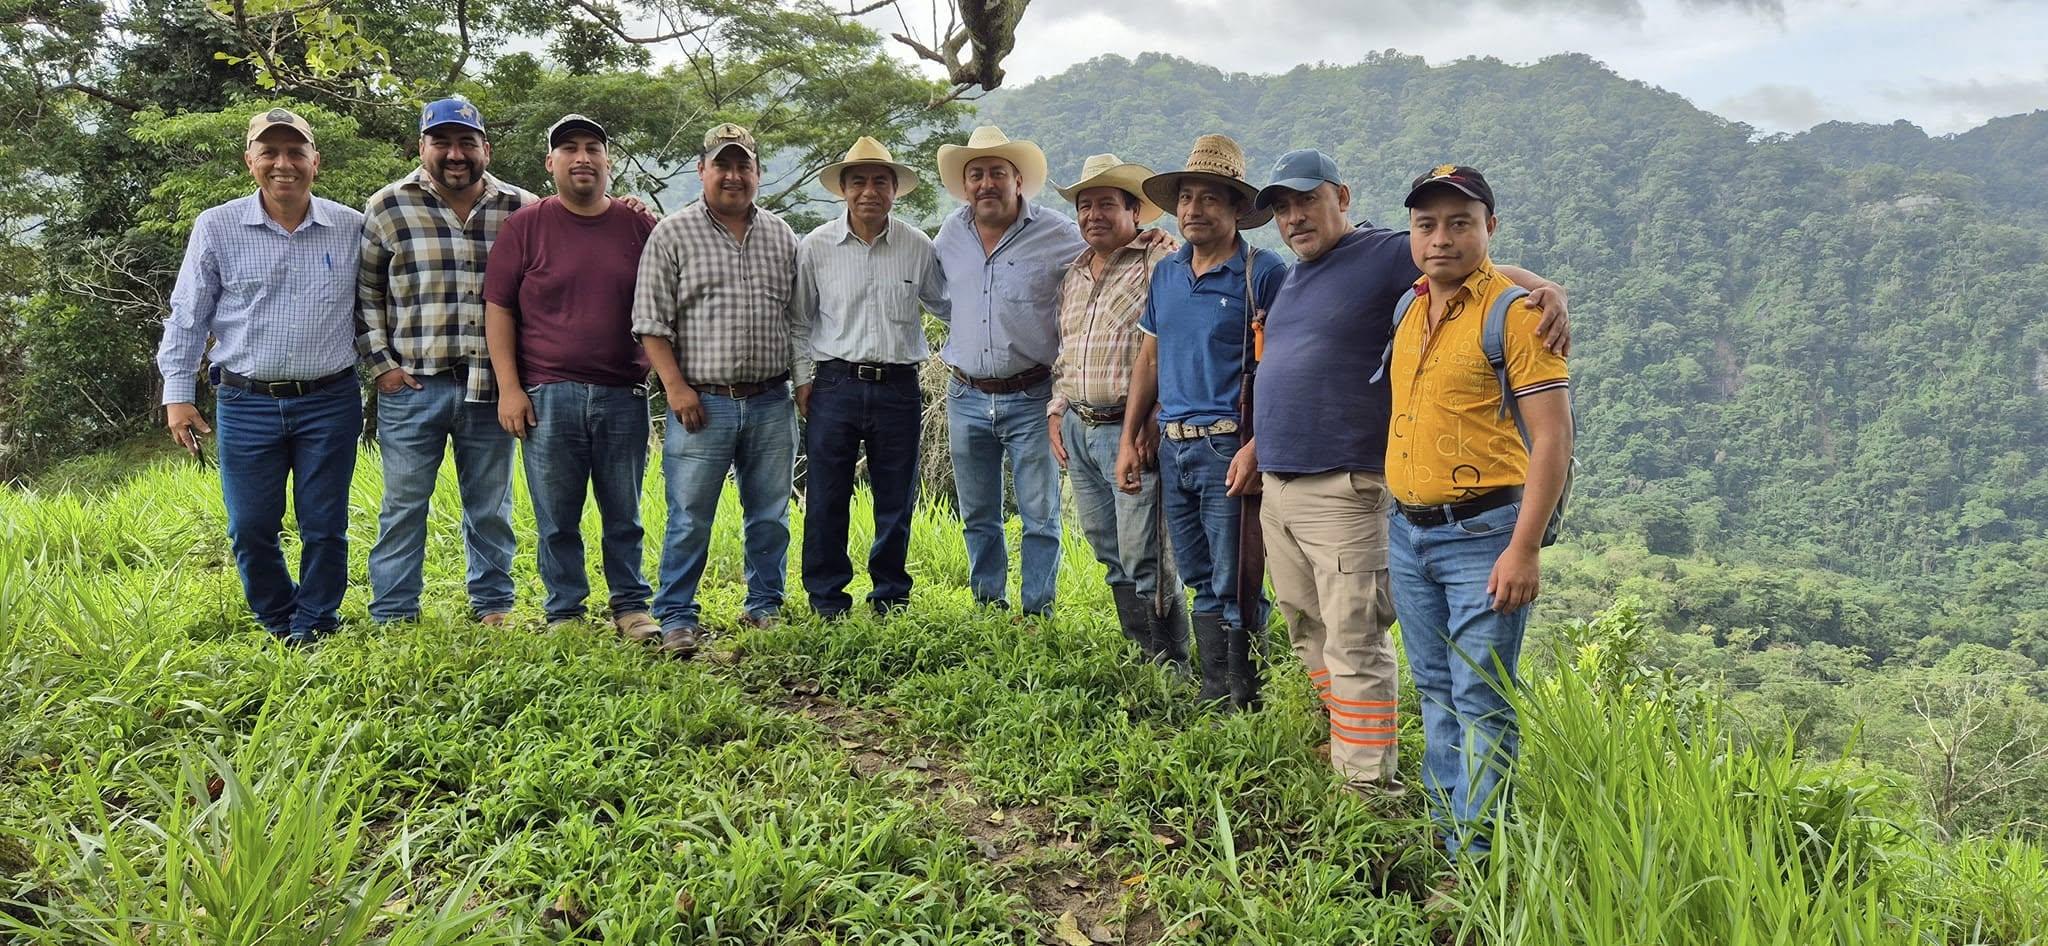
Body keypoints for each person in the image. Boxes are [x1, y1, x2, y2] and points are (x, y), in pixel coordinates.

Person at [1246, 149, 1570, 797]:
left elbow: (1470, 269)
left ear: (1342, 197)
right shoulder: (1304, 278)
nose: (1294, 217)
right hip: (1290, 486)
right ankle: (1353, 738)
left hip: (1356, 490)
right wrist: (1257, 446)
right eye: (1282, 207)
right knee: (1311, 626)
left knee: (1362, 639)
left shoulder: (1386, 253)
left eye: (1306, 201)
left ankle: (1367, 784)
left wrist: (1546, 289)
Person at [1385, 165, 1571, 866]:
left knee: (1480, 699)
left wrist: (1524, 549)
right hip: (1408, 531)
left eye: (1460, 223)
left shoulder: (1517, 316)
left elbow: (1553, 438)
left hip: (1484, 537)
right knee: (1435, 690)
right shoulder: (1409, 309)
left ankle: (1478, 862)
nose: (1441, 239)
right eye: (1427, 225)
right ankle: (1446, 838)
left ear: (1489, 228)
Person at [155, 107, 363, 646]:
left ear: (316, 161)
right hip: (246, 401)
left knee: (325, 525)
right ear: (250, 161)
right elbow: (188, 314)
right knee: (250, 527)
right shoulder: (217, 226)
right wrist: (178, 394)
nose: (283, 164)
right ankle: (278, 618)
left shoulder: (351, 227)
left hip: (330, 399)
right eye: (269, 152)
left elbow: (374, 310)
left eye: (295, 152)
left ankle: (315, 621)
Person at [1117, 134, 1288, 707]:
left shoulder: (1261, 273)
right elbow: (1150, 358)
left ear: (1237, 208)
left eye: (1210, 198)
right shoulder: (1167, 274)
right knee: (1197, 575)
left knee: (1238, 577)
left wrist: (1258, 447)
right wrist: (1130, 437)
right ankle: (1216, 695)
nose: (1194, 209)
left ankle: (1247, 701)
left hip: (1228, 448)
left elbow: (1281, 367)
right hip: (1174, 445)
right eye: (1187, 197)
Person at [357, 97, 537, 627]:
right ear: (422, 147)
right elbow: (366, 294)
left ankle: (493, 605)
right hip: (414, 385)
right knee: (403, 506)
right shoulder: (387, 206)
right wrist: (383, 367)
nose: (455, 154)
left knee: (491, 506)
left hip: (492, 387)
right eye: (442, 142)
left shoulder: (522, 208)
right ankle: (394, 611)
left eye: (466, 143)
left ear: (486, 148)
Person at [631, 123, 808, 657]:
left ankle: (765, 605)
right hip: (700, 401)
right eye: (722, 165)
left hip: (771, 398)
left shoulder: (782, 235)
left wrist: (803, 384)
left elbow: (798, 319)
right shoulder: (673, 233)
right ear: (702, 170)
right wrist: (676, 388)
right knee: (689, 515)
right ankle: (677, 615)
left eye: (743, 165)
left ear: (757, 172)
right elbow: (650, 322)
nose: (733, 176)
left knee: (770, 513)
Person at [482, 114, 659, 640]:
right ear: (550, 163)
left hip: (623, 392)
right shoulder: (526, 226)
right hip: (547, 393)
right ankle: (565, 611)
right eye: (569, 149)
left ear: (608, 162)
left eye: (592, 148)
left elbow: (667, 302)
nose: (582, 157)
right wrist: (509, 389)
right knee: (556, 516)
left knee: (624, 511)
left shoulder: (638, 226)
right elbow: (499, 309)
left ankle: (631, 606)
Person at [930, 126, 1086, 617]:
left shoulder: (1058, 233)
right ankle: (987, 604)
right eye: (975, 174)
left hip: (1032, 395)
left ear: (1018, 180)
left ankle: (1037, 610)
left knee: (1040, 513)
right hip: (966, 394)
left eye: (997, 172)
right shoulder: (950, 233)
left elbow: (1107, 257)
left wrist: (1152, 239)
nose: (986, 183)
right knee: (978, 512)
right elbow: (939, 297)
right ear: (964, 185)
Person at [793, 136, 948, 619]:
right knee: (826, 495)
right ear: (843, 189)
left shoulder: (917, 246)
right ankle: (827, 599)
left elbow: (947, 305)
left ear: (895, 190)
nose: (869, 191)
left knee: (896, 497)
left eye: (881, 181)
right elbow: (799, 320)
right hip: (833, 383)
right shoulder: (816, 247)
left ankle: (890, 597)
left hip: (899, 386)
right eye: (858, 181)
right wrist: (802, 380)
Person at [1048, 154, 1183, 664]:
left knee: (1144, 552)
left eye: (1107, 204)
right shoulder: (1075, 273)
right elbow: (1066, 348)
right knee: (1107, 547)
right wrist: (1057, 408)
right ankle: (1139, 654)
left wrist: (1155, 415)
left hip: (1129, 429)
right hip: (1080, 426)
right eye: (1085, 206)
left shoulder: (1159, 261)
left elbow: (1174, 344)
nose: (1093, 215)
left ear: (1135, 212)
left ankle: (1170, 664)